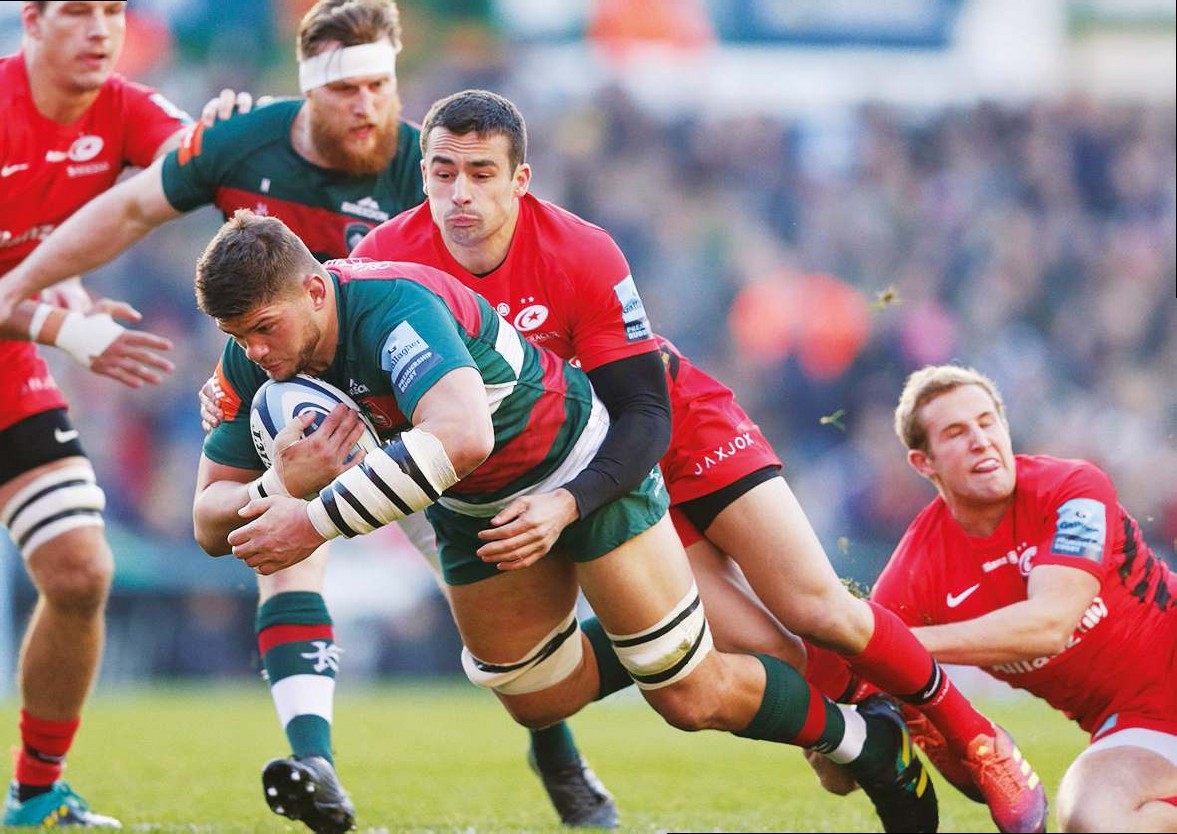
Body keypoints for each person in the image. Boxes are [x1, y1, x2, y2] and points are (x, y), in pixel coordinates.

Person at [349, 89, 1048, 834]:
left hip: (667, 431)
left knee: (816, 606)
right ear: (422, 173)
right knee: (759, 653)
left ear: (520, 180)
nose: (460, 193)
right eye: (443, 172)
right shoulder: (382, 265)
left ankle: (976, 737)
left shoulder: (580, 250)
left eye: (481, 173)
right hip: (591, 478)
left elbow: (646, 414)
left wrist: (567, 503)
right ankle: (870, 726)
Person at [0, 2, 619, 829]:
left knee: (496, 617)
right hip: (280, 376)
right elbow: (135, 207)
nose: (366, 106)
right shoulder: (243, 144)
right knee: (277, 538)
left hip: (409, 400)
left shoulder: (428, 170)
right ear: (305, 91)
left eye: (379, 86)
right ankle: (313, 761)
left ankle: (555, 742)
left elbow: (490, 288)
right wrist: (33, 293)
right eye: (344, 89)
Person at [194, 208, 941, 833]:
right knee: (538, 697)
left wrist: (313, 519)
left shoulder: (392, 305)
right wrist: (278, 484)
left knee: (687, 696)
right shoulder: (256, 358)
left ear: (315, 291)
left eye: (264, 328)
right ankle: (660, 625)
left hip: (574, 469)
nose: (255, 350)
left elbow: (462, 436)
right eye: (238, 335)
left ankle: (865, 745)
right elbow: (206, 519)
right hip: (473, 509)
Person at [0, 1, 190, 826]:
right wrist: (69, 327)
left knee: (80, 573)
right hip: (29, 336)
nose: (99, 29)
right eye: (77, 11)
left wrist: (242, 133)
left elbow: (201, 161)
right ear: (32, 21)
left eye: (112, 11)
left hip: (6, 367)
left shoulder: (124, 107)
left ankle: (36, 792)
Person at [868, 364, 1177, 832]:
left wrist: (893, 645)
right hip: (1136, 722)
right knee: (1092, 820)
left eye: (987, 422)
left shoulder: (1073, 488)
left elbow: (1051, 625)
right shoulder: (908, 581)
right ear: (923, 462)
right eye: (955, 432)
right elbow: (850, 754)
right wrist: (836, 740)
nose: (980, 440)